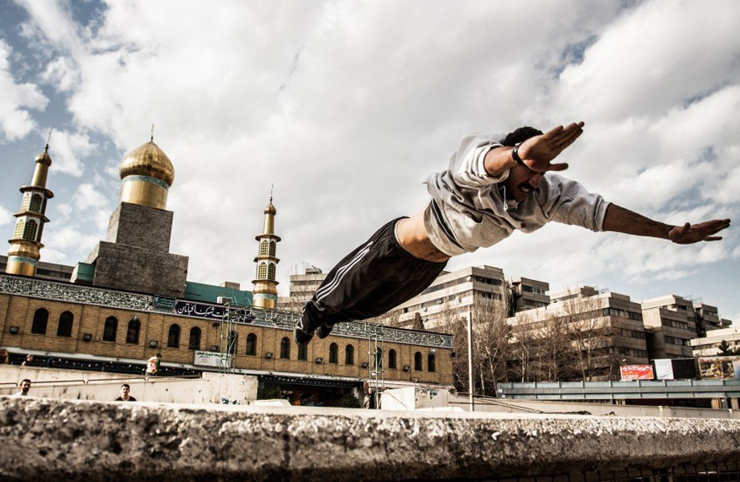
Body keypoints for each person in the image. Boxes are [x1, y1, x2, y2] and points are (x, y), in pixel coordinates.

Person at [294, 122, 731, 346]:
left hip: (431, 264)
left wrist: (667, 232)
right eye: (529, 172)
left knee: (368, 309)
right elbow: (474, 163)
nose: (534, 183)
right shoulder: (478, 172)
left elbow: (600, 213)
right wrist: (516, 155)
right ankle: (314, 309)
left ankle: (329, 318)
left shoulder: (546, 196)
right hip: (396, 245)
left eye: (542, 176)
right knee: (335, 295)